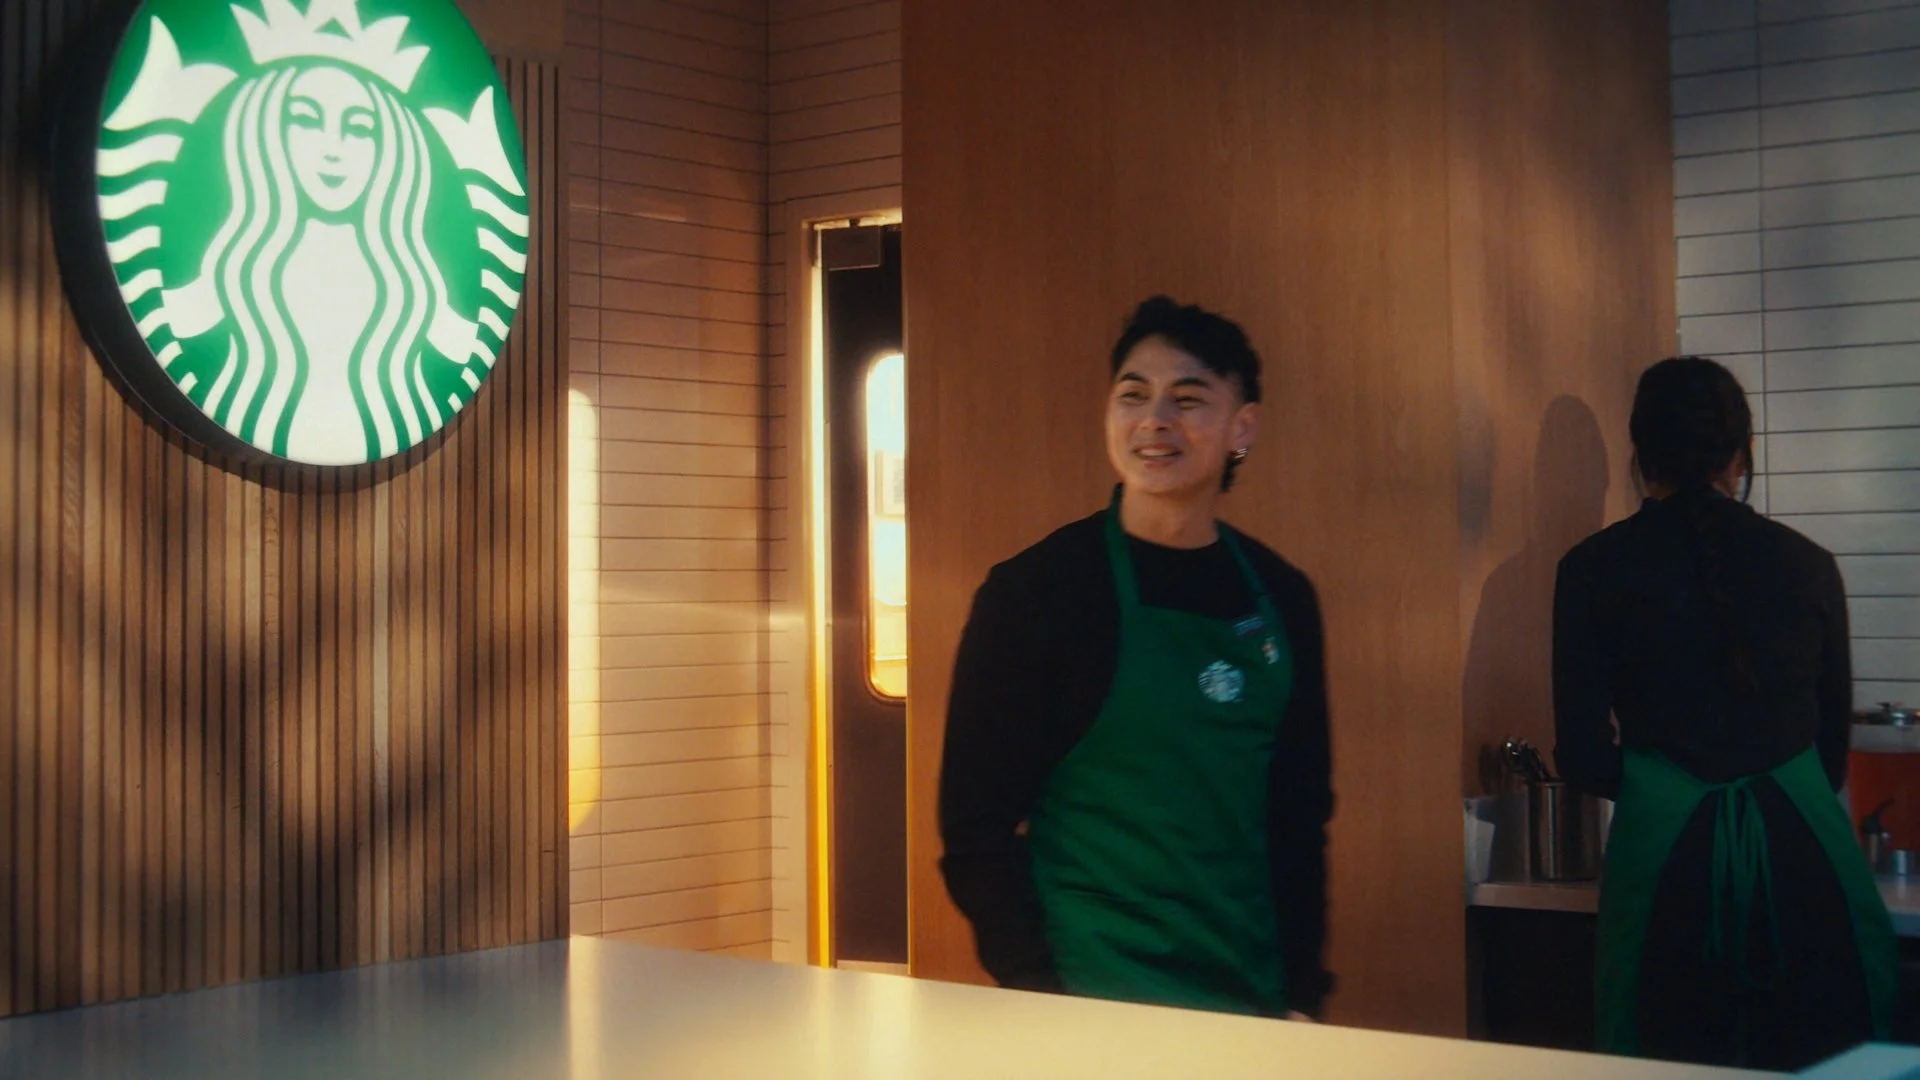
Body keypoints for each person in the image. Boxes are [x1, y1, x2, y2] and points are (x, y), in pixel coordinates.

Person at [937, 296, 1334, 1020]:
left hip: (1249, 998)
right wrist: (1040, 990)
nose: (1155, 420)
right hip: (1091, 996)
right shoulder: (1039, 592)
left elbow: (1298, 818)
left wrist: (1301, 994)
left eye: (1189, 398)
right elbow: (974, 827)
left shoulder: (1282, 596)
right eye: (1133, 395)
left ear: (1242, 427)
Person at [1553, 356, 1897, 1070]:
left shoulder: (1590, 568)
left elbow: (1583, 757)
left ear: (1641, 455)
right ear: (1742, 454)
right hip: (1805, 863)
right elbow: (1829, 756)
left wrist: (1668, 790)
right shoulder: (1809, 564)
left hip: (1666, 870)